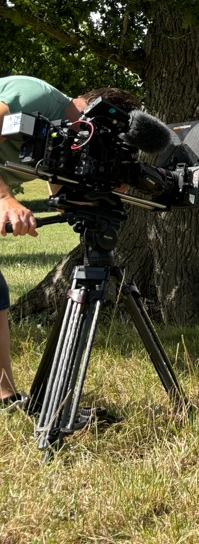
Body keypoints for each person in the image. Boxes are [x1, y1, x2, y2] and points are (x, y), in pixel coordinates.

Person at [0, 75, 140, 408]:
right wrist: (6, 199)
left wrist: (115, 186)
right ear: (94, 113)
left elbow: (65, 196)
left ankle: (4, 396)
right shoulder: (35, 98)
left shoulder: (63, 140)